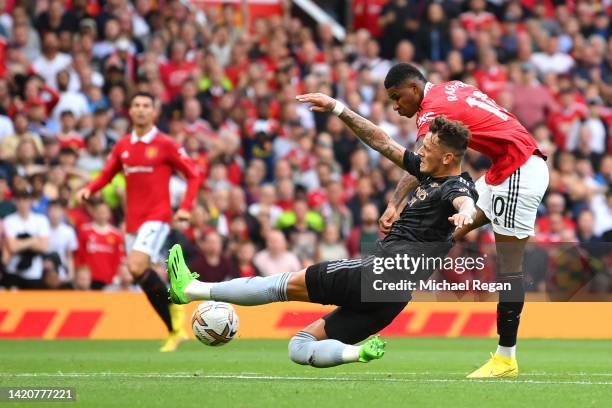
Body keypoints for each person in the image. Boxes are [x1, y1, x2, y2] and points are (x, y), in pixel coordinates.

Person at [167, 116, 478, 368]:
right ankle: (360, 353)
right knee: (299, 346)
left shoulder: (454, 187)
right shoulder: (431, 172)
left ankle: (193, 289)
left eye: (426, 149)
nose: (420, 152)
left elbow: (463, 201)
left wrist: (465, 213)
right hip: (392, 300)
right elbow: (383, 142)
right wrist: (338, 108)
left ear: (447, 157)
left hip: (377, 274)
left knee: (281, 285)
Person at [378, 63, 549, 377]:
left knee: (509, 267)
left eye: (397, 97)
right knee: (438, 232)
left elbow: (423, 164)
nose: (396, 105)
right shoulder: (452, 87)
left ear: (414, 89)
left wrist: (394, 203)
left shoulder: (432, 110)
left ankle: (505, 358)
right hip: (504, 169)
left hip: (520, 171)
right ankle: (381, 299)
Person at [75, 92, 199, 352]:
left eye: (146, 106)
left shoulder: (166, 144)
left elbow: (194, 174)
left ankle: (175, 328)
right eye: (137, 105)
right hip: (133, 220)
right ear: (129, 111)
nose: (141, 110)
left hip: (158, 216)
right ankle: (173, 317)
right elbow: (107, 174)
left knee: (136, 264)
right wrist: (89, 188)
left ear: (154, 112)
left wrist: (185, 208)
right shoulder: (122, 146)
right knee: (138, 273)